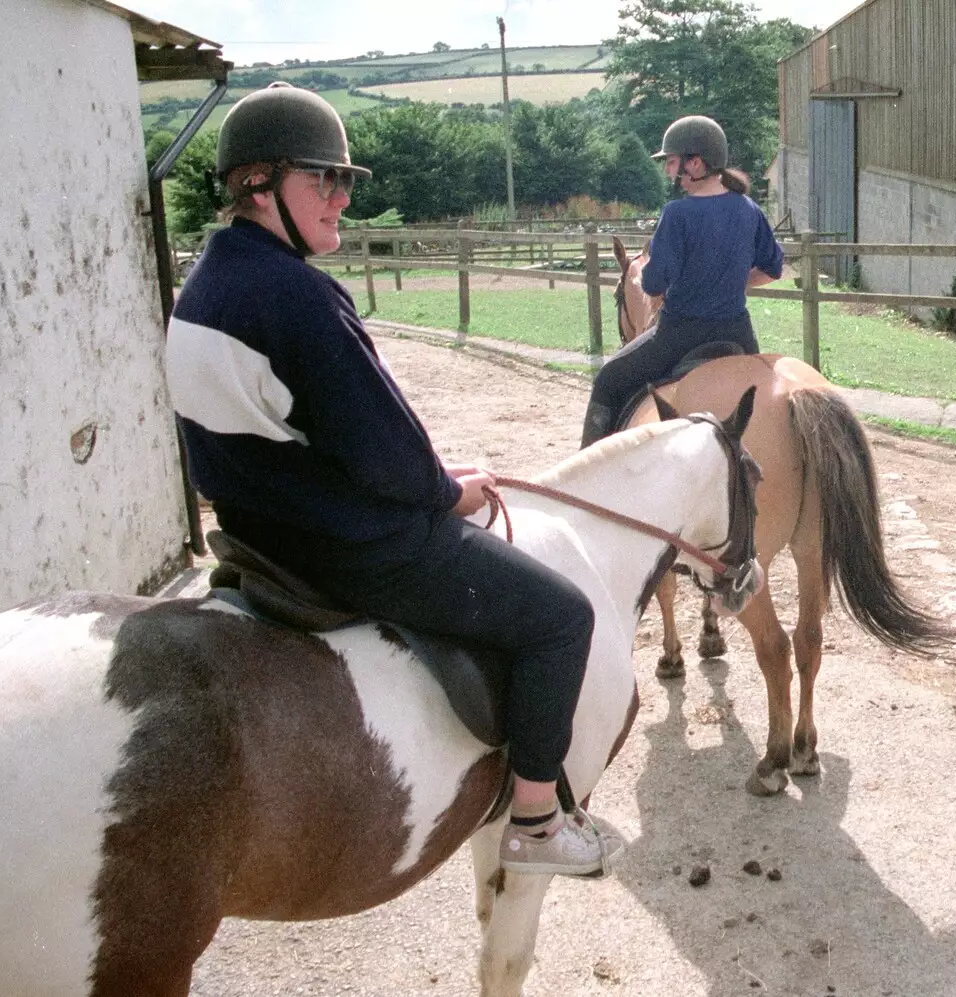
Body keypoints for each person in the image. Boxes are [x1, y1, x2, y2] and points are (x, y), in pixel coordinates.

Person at [163, 82, 621, 878]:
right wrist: (452, 490)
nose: (341, 198)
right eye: (323, 180)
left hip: (258, 532)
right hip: (349, 547)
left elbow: (310, 433)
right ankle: (539, 820)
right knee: (561, 615)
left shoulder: (207, 285)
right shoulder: (298, 296)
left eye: (344, 181)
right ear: (258, 186)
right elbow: (388, 456)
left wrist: (428, 476)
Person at [580, 114, 784, 447]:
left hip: (678, 335)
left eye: (672, 162)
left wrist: (651, 274)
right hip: (738, 334)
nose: (668, 171)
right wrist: (729, 282)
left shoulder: (677, 214)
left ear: (696, 163)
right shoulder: (749, 209)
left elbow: (653, 286)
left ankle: (586, 468)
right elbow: (773, 269)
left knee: (607, 380)